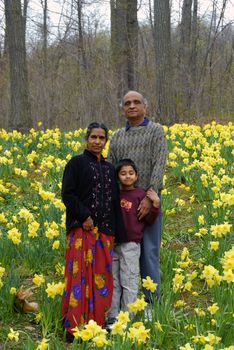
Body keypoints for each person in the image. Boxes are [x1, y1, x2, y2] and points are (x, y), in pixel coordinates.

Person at [61, 122, 125, 342]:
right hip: (82, 229)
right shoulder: (76, 163)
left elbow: (115, 202)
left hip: (105, 233)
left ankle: (97, 325)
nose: (97, 142)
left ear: (106, 141)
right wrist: (84, 216)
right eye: (93, 137)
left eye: (101, 138)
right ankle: (74, 328)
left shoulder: (109, 169)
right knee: (79, 277)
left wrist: (117, 233)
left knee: (101, 279)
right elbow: (67, 195)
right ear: (86, 139)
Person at [108, 91, 168, 301]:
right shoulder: (117, 137)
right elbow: (111, 171)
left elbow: (159, 165)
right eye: (127, 103)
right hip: (124, 206)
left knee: (149, 253)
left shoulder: (156, 131)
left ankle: (152, 301)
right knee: (123, 254)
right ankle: (125, 303)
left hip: (148, 203)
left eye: (136, 102)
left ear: (145, 106)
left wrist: (149, 198)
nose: (131, 106)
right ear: (123, 109)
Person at [107, 158, 160, 326]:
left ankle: (127, 318)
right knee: (114, 281)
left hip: (131, 245)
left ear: (137, 176)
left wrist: (156, 204)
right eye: (123, 173)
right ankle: (112, 317)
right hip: (114, 244)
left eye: (131, 173)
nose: (127, 177)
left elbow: (149, 220)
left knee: (129, 280)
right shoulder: (114, 194)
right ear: (117, 177)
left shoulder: (140, 196)